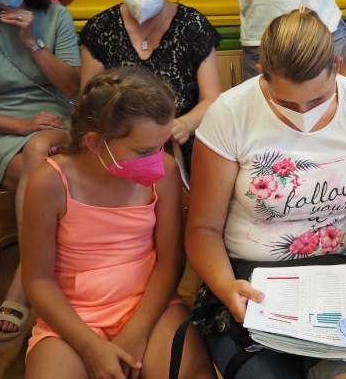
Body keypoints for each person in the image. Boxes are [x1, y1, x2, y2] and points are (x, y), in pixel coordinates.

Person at [185, 7, 346, 379]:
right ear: (262, 71)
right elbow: (202, 228)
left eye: (317, 99)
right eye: (285, 102)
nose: (303, 112)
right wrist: (226, 286)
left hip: (338, 277)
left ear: (337, 67)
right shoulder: (230, 114)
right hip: (249, 279)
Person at [21, 67, 215, 379]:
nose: (157, 159)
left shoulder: (164, 173)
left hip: (150, 308)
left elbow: (170, 260)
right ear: (96, 143)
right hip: (73, 319)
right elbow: (37, 280)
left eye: (162, 146)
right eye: (144, 151)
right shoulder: (50, 182)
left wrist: (136, 332)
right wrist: (89, 347)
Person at [0, 0, 80, 341]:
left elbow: (72, 87)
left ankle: (25, 278)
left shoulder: (55, 16)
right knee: (45, 160)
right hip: (1, 133)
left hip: (59, 124)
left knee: (42, 146)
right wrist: (20, 125)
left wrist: (32, 41)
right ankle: (37, 276)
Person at [79, 0, 222, 170]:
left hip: (181, 141)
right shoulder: (100, 29)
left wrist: (184, 124)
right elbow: (90, 104)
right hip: (121, 147)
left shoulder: (192, 25)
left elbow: (212, 97)